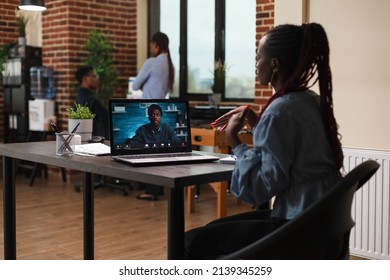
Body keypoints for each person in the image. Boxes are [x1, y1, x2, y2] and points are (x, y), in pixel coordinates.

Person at [184, 23, 344, 259]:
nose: (256, 64)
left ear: (275, 64)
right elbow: (290, 151)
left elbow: (258, 189)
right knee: (211, 230)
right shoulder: (310, 100)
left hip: (296, 228)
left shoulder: (279, 110)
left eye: (258, 57)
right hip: (323, 222)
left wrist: (234, 141)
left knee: (191, 242)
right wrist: (257, 121)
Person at [132, 31, 174, 99]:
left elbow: (135, 86)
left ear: (155, 44)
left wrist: (145, 86)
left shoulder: (151, 62)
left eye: (150, 46)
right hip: (161, 106)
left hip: (148, 106)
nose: (150, 50)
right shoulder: (171, 66)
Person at [75, 66, 110, 140]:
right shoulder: (91, 100)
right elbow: (107, 117)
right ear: (85, 78)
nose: (96, 79)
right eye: (94, 76)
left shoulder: (79, 98)